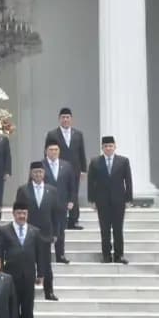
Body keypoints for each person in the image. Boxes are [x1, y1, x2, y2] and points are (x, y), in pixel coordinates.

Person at [0, 201, 44, 318]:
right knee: (12, 305)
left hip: (29, 275)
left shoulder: (35, 231)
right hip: (11, 274)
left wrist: (40, 273)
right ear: (13, 214)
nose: (22, 216)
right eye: (19, 213)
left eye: (24, 213)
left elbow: (40, 254)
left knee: (28, 305)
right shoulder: (4, 230)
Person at [16, 161, 61, 300]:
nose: (38, 174)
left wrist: (56, 233)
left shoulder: (52, 190)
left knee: (46, 264)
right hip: (28, 232)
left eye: (40, 172)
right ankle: (26, 291)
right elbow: (18, 211)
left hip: (46, 232)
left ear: (44, 173)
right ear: (31, 173)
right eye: (35, 172)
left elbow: (56, 213)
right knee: (28, 263)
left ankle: (49, 291)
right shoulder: (23, 190)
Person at [87, 136, 132, 264]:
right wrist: (92, 200)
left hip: (119, 200)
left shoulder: (123, 161)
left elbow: (128, 180)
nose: (108, 148)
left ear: (115, 147)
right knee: (104, 229)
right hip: (102, 201)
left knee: (118, 229)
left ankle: (119, 255)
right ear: (102, 148)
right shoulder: (95, 162)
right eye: (106, 146)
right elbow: (91, 182)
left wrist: (128, 199)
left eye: (110, 146)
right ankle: (106, 255)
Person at [45, 107, 87, 230]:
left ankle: (73, 220)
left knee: (74, 193)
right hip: (58, 169)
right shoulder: (52, 134)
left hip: (75, 169)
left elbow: (81, 152)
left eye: (67, 117)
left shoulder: (78, 134)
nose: (65, 120)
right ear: (59, 119)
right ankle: (56, 219)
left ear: (71, 119)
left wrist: (83, 170)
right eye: (63, 117)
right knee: (58, 193)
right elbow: (47, 151)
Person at [42, 142, 77, 264]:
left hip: (61, 203)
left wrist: (71, 200)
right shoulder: (41, 165)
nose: (54, 152)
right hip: (45, 203)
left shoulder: (66, 165)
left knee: (60, 231)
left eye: (56, 149)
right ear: (46, 151)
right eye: (51, 149)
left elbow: (72, 185)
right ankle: (44, 256)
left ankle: (60, 255)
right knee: (45, 230)